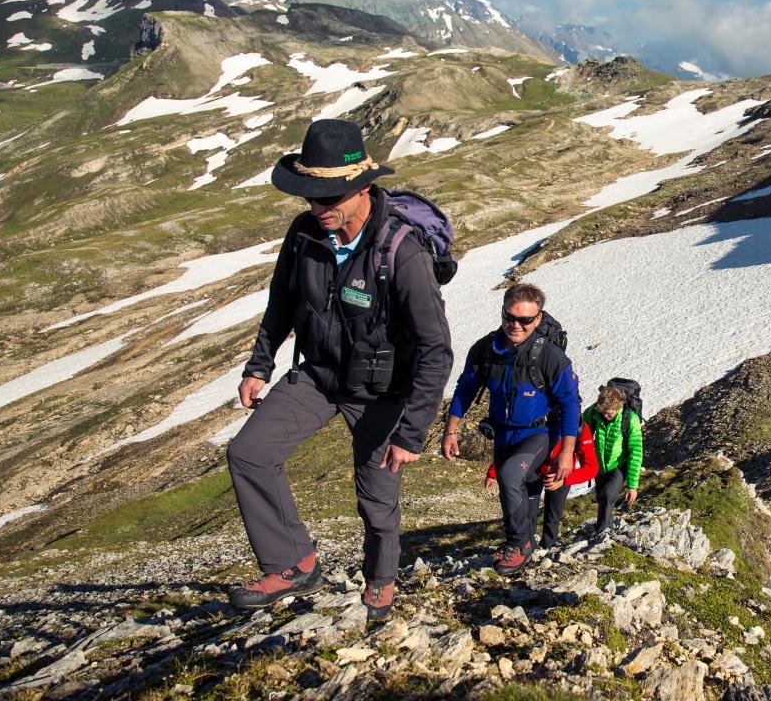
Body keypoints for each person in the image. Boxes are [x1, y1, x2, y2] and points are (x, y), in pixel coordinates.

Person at [226, 119, 452, 622]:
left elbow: (437, 350)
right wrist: (259, 365)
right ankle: (292, 562)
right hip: (320, 376)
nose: (320, 208)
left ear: (363, 187)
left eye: (331, 197)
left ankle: (380, 581)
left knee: (376, 498)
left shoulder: (401, 250)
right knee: (249, 454)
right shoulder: (305, 233)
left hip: (382, 391)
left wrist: (412, 433)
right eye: (311, 197)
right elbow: (280, 303)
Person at [442, 283, 580, 575]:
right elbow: (465, 389)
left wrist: (567, 453)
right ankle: (525, 544)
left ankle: (516, 543)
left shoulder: (550, 357)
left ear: (538, 318)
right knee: (522, 489)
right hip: (503, 433)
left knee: (509, 476)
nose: (515, 325)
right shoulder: (485, 350)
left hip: (539, 433)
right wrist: (450, 430)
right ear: (502, 312)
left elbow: (569, 405)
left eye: (525, 320)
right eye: (509, 317)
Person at [483, 416, 598, 548]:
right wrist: (493, 472)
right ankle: (526, 547)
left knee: (553, 513)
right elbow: (516, 449)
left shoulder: (581, 429)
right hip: (534, 470)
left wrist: (565, 479)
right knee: (528, 512)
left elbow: (591, 468)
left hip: (561, 474)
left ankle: (548, 546)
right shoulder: (538, 419)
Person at [587, 384, 643, 537]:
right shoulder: (594, 413)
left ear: (618, 406)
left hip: (619, 465)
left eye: (609, 413)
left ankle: (601, 533)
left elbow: (636, 452)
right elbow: (581, 430)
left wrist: (632, 486)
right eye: (603, 412)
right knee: (601, 497)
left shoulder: (630, 419)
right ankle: (608, 529)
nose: (605, 415)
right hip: (600, 465)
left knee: (607, 496)